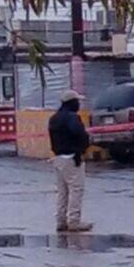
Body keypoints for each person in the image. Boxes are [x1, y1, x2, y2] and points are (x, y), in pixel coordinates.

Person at [48, 90, 92, 233]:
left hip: (58, 158)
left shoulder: (54, 118)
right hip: (72, 158)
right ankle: (74, 221)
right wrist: (83, 147)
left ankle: (60, 221)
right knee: (76, 189)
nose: (79, 104)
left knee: (62, 192)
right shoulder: (72, 118)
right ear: (72, 102)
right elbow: (80, 134)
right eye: (77, 101)